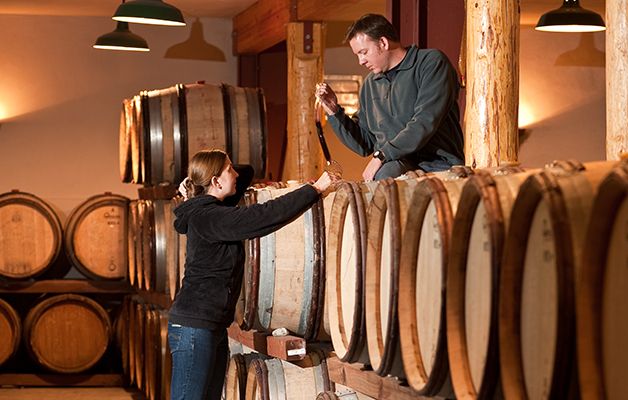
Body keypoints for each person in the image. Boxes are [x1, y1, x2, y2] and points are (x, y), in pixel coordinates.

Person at [167, 149, 340, 400]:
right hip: (195, 328)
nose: (236, 173)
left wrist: (200, 181)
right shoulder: (210, 217)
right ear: (216, 182)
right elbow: (265, 215)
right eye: (229, 170)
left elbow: (245, 172)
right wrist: (315, 189)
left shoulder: (208, 209)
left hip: (208, 326)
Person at [315, 13, 464, 181]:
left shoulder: (431, 63)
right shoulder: (370, 85)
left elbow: (424, 121)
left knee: (384, 175)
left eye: (363, 52)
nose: (360, 61)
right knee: (383, 177)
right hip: (394, 165)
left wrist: (381, 155)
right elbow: (364, 143)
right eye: (357, 55)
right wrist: (335, 113)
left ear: (383, 43)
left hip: (437, 165)